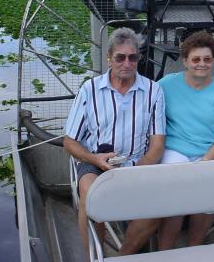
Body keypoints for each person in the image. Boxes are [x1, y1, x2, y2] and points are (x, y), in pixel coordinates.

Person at [63, 27, 166, 256]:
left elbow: (157, 144)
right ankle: (93, 257)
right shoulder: (90, 90)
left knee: (157, 209)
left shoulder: (153, 91)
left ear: (138, 58)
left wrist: (138, 169)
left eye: (133, 57)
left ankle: (122, 257)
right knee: (90, 193)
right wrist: (94, 159)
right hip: (96, 162)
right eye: (120, 57)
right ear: (110, 58)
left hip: (137, 164)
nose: (127, 63)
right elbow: (70, 142)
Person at [157, 31, 214, 249]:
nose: (201, 64)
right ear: (185, 62)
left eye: (207, 59)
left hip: (212, 153)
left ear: (213, 61)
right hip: (176, 150)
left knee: (211, 190)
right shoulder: (165, 85)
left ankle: (194, 249)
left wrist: (203, 165)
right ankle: (165, 252)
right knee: (175, 191)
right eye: (196, 59)